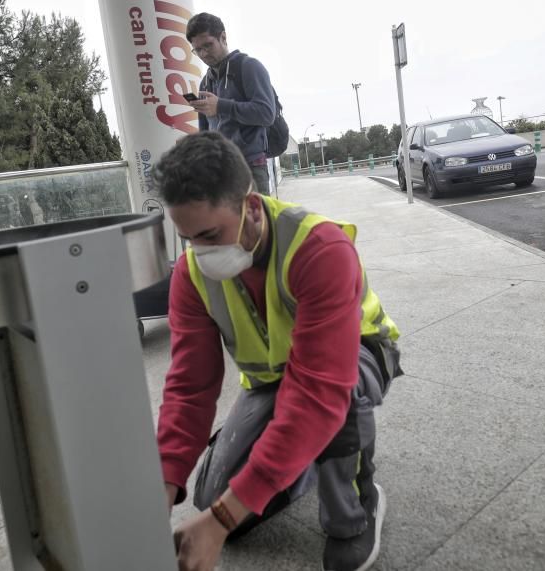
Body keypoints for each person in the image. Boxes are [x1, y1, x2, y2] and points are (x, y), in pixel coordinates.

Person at [153, 131, 403, 571]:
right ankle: (298, 459)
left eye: (210, 234)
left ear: (251, 207)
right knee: (212, 499)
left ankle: (357, 513)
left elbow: (317, 392)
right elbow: (189, 387)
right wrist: (164, 484)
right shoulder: (191, 274)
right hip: (274, 380)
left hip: (355, 359)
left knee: (332, 407)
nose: (200, 253)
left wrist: (224, 518)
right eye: (188, 238)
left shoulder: (319, 248)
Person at [186, 12, 277, 194]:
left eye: (208, 45)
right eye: (198, 49)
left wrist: (221, 106)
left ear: (223, 37)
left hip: (250, 166)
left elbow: (267, 114)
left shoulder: (249, 67)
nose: (204, 54)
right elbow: (205, 131)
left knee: (257, 222)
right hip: (221, 172)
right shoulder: (206, 81)